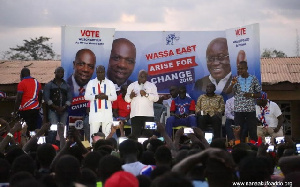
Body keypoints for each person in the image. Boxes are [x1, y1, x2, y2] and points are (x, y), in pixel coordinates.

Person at [226, 60, 262, 142]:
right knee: (238, 131)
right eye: (238, 69)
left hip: (250, 109)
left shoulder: (253, 79)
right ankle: (239, 147)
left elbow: (259, 94)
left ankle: (254, 147)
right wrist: (232, 84)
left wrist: (251, 95)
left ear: (247, 68)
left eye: (242, 69)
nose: (240, 71)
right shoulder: (236, 79)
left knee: (252, 130)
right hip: (238, 109)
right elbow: (227, 92)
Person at [84, 65, 117, 141]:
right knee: (93, 135)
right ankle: (93, 151)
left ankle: (106, 151)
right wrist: (96, 96)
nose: (100, 74)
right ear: (96, 72)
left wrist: (106, 97)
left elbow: (114, 97)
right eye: (98, 72)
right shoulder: (91, 83)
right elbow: (86, 97)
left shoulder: (110, 83)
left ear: (104, 72)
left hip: (106, 114)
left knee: (107, 135)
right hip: (95, 114)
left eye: (102, 72)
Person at [125, 70, 159, 138]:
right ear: (138, 76)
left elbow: (156, 98)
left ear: (147, 77)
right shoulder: (132, 86)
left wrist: (146, 94)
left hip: (149, 115)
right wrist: (131, 96)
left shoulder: (152, 86)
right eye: (141, 76)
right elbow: (127, 99)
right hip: (135, 115)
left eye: (144, 77)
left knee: (149, 134)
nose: (142, 78)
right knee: (135, 134)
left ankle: (148, 148)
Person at [43, 67, 72, 142]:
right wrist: (55, 107)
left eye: (62, 72)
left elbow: (69, 99)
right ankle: (52, 143)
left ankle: (61, 144)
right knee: (53, 127)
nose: (60, 74)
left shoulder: (67, 86)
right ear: (54, 73)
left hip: (64, 110)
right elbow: (46, 98)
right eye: (58, 72)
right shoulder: (49, 85)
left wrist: (64, 107)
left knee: (63, 128)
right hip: (53, 110)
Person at [14, 67, 42, 134]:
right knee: (33, 128)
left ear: (21, 75)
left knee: (24, 128)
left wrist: (15, 111)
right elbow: (40, 95)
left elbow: (18, 98)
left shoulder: (21, 83)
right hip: (35, 109)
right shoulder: (37, 83)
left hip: (25, 110)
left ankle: (25, 141)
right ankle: (33, 141)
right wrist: (39, 105)